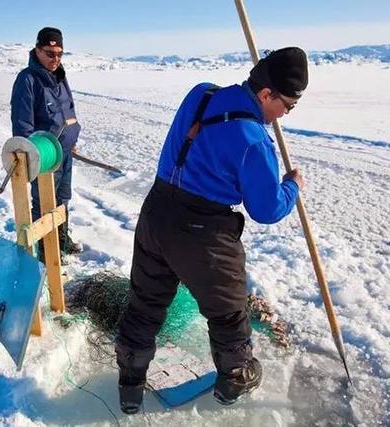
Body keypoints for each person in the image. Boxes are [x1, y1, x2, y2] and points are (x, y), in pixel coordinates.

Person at [115, 47, 308, 413]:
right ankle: (235, 378)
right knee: (228, 310)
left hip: (156, 212)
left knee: (146, 302)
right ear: (266, 94)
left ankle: (129, 383)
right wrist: (292, 184)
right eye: (288, 105)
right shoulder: (254, 140)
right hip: (203, 231)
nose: (286, 114)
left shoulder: (201, 92)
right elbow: (266, 209)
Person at [10, 27, 83, 257]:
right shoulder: (27, 80)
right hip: (45, 157)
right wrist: (33, 157)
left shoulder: (60, 76)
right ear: (37, 50)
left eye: (60, 54)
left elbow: (67, 109)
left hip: (65, 153)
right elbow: (22, 125)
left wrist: (72, 139)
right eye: (50, 54)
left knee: (63, 199)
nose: (56, 59)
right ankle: (45, 250)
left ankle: (60, 240)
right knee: (43, 203)